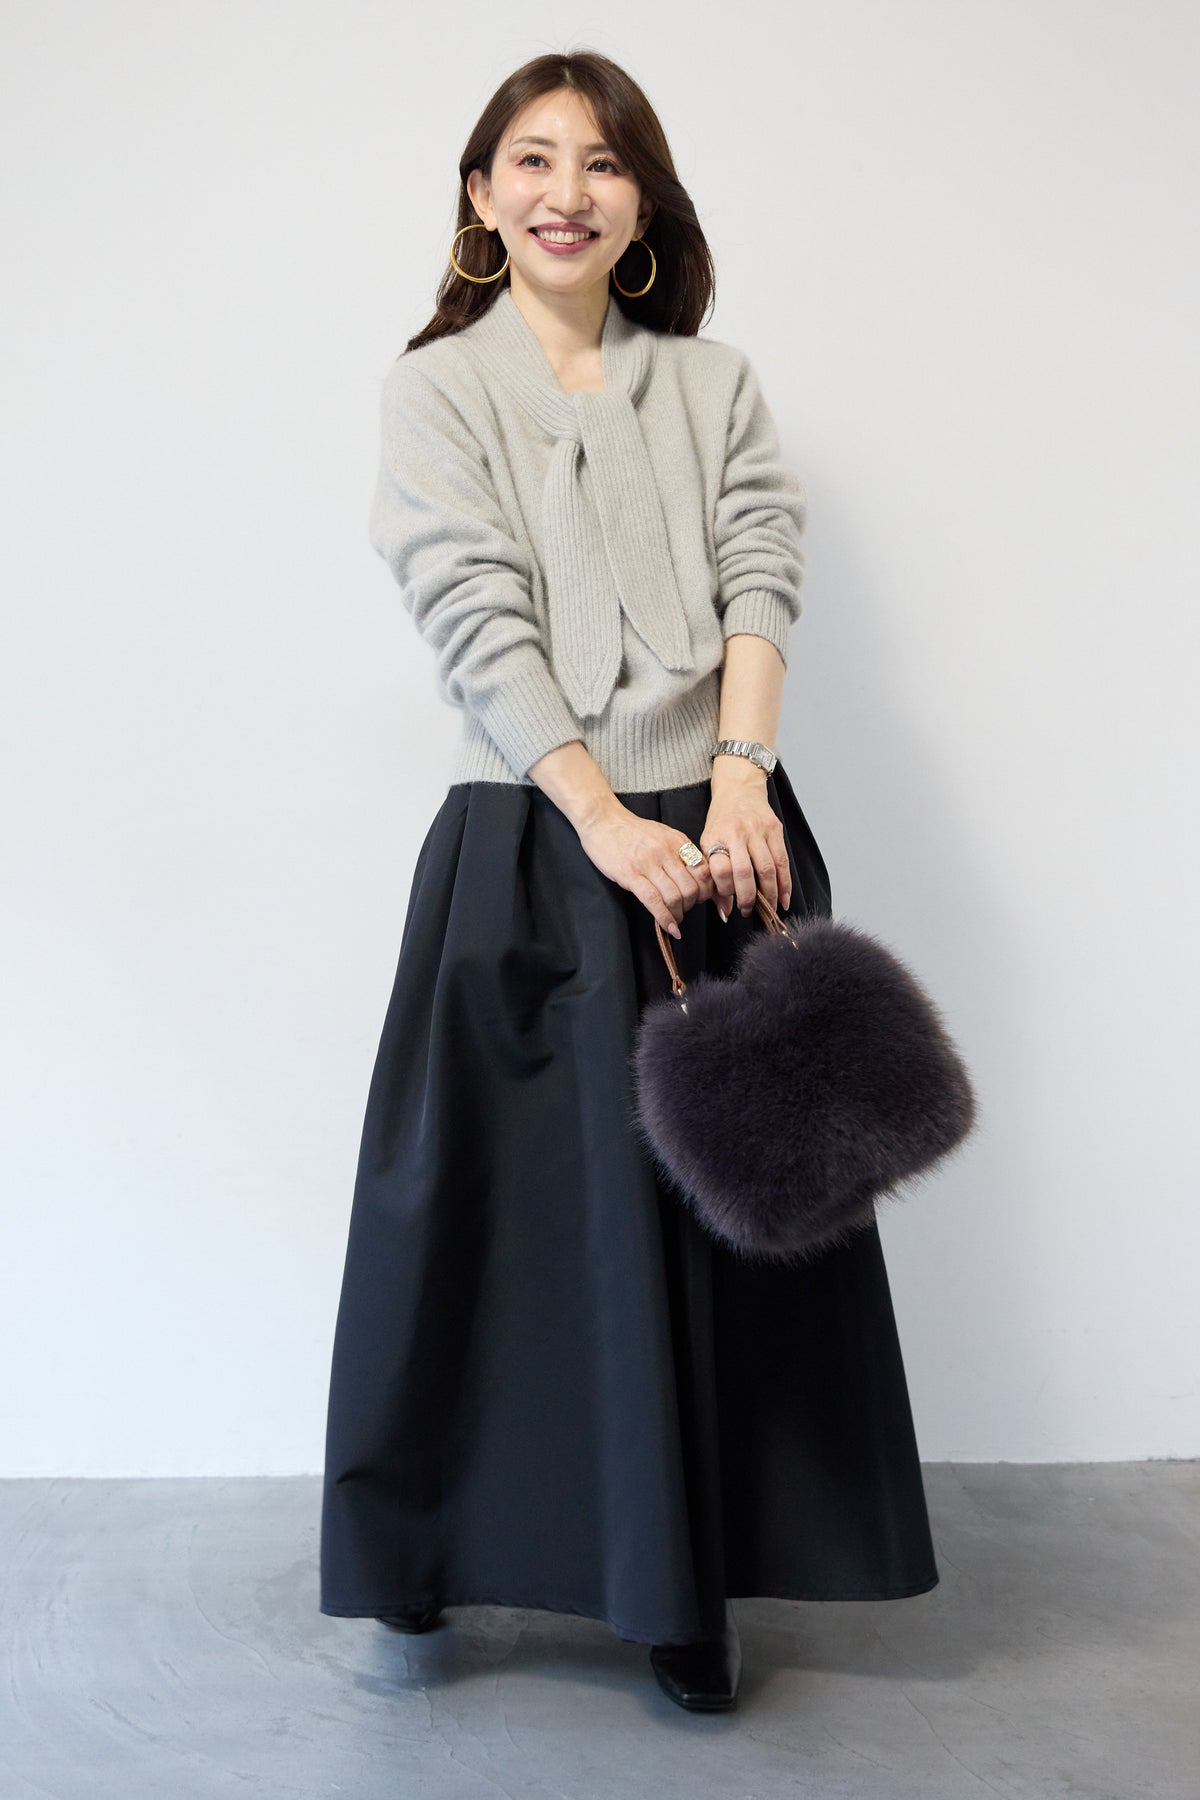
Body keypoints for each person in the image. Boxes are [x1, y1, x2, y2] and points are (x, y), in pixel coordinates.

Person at [319, 49, 939, 1715]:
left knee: (714, 1232)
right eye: (530, 160)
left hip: (724, 832)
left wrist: (738, 777)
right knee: (496, 1224)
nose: (565, 192)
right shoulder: (437, 391)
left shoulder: (712, 381)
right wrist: (601, 817)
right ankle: (429, 1555)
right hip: (534, 839)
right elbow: (470, 609)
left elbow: (761, 568)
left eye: (600, 163)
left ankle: (686, 1590)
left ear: (643, 201)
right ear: (479, 195)